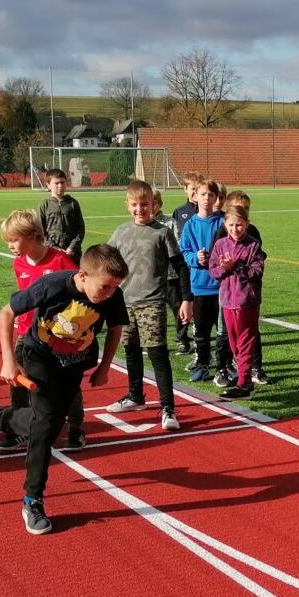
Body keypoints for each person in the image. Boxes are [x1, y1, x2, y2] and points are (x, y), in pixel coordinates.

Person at [0, 244, 129, 535]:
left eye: (115, 287)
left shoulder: (112, 294)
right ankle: (32, 500)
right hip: (39, 357)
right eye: (104, 287)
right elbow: (6, 312)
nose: (109, 293)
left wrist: (105, 367)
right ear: (83, 275)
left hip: (75, 364)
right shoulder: (52, 286)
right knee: (43, 429)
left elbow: (116, 328)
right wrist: (8, 360)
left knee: (50, 425)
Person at [105, 181, 193, 430]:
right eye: (135, 205)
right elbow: (104, 258)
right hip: (124, 304)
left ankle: (168, 408)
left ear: (154, 205)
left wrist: (187, 299)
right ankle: (136, 396)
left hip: (152, 303)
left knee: (157, 354)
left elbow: (180, 266)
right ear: (127, 205)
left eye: (145, 204)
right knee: (131, 351)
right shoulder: (121, 232)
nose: (140, 209)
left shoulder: (162, 232)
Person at [0, 209, 86, 450]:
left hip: (57, 335)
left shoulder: (60, 261)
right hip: (26, 333)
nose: (11, 246)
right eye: (8, 241)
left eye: (14, 240)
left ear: (33, 236)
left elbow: (78, 291)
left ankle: (76, 428)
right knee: (18, 380)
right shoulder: (19, 264)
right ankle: (17, 427)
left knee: (66, 383)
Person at [211, 189, 272, 386]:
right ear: (225, 224)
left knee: (246, 341)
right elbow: (213, 271)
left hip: (247, 300)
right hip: (228, 300)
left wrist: (236, 266)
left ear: (246, 224)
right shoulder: (220, 244)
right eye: (231, 225)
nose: (235, 229)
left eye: (239, 225)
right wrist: (224, 268)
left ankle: (243, 382)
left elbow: (256, 271)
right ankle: (240, 369)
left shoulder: (253, 245)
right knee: (234, 341)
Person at [177, 180, 230, 383]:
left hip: (222, 287)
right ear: (195, 197)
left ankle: (224, 366)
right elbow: (185, 251)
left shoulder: (223, 222)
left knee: (223, 332)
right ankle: (202, 365)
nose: (207, 198)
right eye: (203, 194)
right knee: (201, 331)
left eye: (211, 195)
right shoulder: (190, 224)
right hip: (199, 286)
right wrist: (195, 258)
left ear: (216, 198)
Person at [169, 172, 203, 353]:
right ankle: (182, 337)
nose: (196, 193)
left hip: (201, 265)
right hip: (184, 264)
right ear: (185, 189)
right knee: (182, 301)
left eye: (199, 189)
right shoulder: (180, 211)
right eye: (193, 189)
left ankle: (200, 334)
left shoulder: (206, 210)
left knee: (200, 301)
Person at [38, 168, 85, 263]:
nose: (60, 186)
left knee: (73, 276)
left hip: (72, 254)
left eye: (62, 182)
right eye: (56, 183)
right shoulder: (44, 205)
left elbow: (80, 228)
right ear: (48, 185)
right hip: (52, 254)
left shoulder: (73, 203)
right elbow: (40, 231)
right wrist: (54, 248)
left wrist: (72, 247)